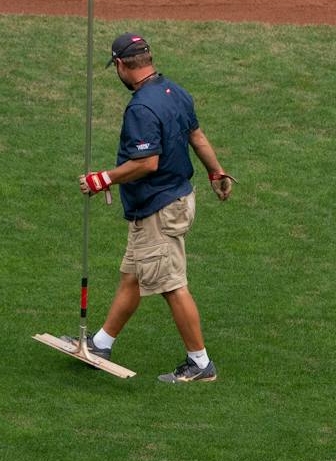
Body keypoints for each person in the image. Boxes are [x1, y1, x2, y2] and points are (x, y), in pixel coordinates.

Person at [74, 31, 234, 383]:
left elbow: (147, 163)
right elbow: (198, 136)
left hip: (159, 208)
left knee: (171, 285)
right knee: (132, 275)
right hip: (172, 200)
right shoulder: (174, 91)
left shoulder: (142, 107)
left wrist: (104, 179)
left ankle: (200, 364)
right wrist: (216, 171)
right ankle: (100, 344)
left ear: (120, 65)